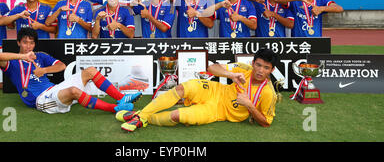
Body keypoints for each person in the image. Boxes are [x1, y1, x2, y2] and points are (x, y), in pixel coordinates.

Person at [117, 48, 279, 131]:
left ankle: (143, 117)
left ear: (271, 70)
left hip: (217, 112)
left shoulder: (268, 93)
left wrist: (249, 105)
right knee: (182, 87)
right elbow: (211, 68)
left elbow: (266, 123)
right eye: (258, 65)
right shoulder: (244, 69)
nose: (260, 70)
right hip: (215, 90)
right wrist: (231, 75)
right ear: (252, 63)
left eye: (266, 68)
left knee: (178, 115)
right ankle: (141, 116)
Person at [0, 27, 141, 113]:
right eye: (25, 42)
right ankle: (115, 108)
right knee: (73, 91)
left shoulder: (39, 56)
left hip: (55, 89)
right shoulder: (12, 63)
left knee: (90, 70)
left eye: (31, 43)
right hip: (41, 100)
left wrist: (44, 70)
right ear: (18, 42)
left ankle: (121, 98)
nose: (28, 46)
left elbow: (61, 66)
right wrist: (23, 56)